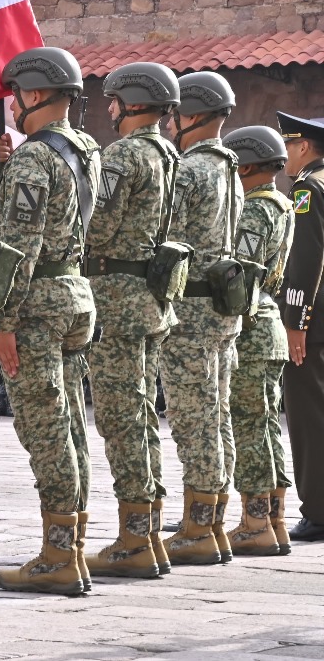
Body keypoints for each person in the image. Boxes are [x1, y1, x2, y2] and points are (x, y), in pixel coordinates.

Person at [0, 47, 100, 596]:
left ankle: (58, 557)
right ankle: (72, 546)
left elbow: (17, 245)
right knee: (72, 423)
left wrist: (1, 318)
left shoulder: (35, 158)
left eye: (15, 96)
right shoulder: (86, 148)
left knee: (45, 428)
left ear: (33, 94)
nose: (12, 106)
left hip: (37, 302)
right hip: (76, 294)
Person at [83, 62, 181, 579]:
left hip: (118, 299)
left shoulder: (122, 155)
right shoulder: (168, 152)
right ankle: (148, 531)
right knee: (142, 418)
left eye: (114, 99)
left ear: (132, 102)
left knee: (122, 420)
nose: (109, 107)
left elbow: (97, 227)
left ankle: (134, 540)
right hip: (150, 297)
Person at [158, 72, 241, 566]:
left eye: (174, 114)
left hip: (190, 306)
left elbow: (165, 232)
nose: (169, 123)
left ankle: (197, 528)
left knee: (193, 419)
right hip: (220, 306)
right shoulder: (229, 165)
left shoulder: (189, 169)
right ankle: (215, 518)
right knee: (216, 415)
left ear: (191, 115)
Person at [223, 126, 294, 556]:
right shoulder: (283, 204)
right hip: (270, 323)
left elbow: (242, 270)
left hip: (251, 324)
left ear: (246, 165)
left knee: (250, 425)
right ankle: (275, 518)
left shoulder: (254, 210)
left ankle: (254, 523)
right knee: (266, 426)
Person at [276, 112, 324, 543]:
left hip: (316, 326)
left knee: (309, 418)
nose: (284, 153)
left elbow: (306, 261)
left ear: (304, 147)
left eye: (288, 145)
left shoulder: (309, 188)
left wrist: (296, 322)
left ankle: (319, 511)